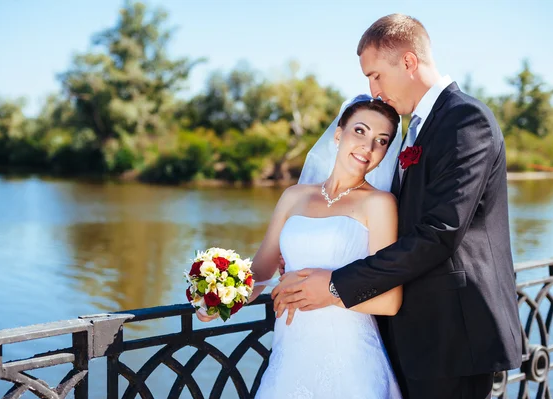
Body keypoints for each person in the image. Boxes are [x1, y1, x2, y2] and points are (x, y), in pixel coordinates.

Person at [273, 14, 522, 399]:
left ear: (408, 62)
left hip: (452, 334)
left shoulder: (464, 119)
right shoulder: (415, 128)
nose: (373, 89)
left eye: (375, 75)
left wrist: (337, 285)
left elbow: (440, 232)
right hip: (409, 333)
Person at [197, 95, 404, 398]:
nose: (368, 147)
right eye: (360, 131)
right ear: (338, 134)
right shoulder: (294, 196)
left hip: (350, 360)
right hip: (291, 353)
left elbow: (389, 301)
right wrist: (219, 299)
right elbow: (261, 272)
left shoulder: (380, 204)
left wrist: (325, 291)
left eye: (381, 140)